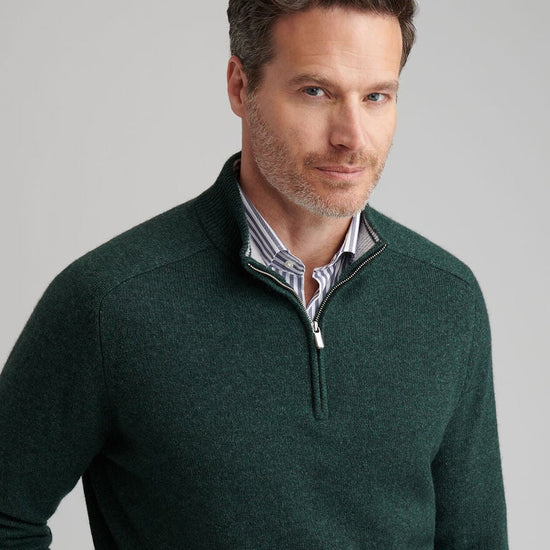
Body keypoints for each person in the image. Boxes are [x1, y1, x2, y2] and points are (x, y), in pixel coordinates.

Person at [0, 0, 508, 548]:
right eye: (316, 91)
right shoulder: (110, 302)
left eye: (376, 97)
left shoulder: (446, 299)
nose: (352, 136)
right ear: (240, 87)